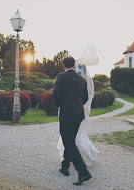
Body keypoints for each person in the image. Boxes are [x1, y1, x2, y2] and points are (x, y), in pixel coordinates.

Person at [51, 57, 92, 186]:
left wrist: (61, 105)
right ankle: (64, 167)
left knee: (68, 143)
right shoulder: (82, 79)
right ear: (74, 65)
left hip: (67, 114)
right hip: (78, 114)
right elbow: (85, 97)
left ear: (63, 65)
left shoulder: (61, 77)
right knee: (70, 141)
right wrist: (76, 106)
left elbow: (55, 96)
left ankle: (83, 172)